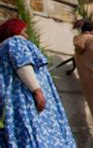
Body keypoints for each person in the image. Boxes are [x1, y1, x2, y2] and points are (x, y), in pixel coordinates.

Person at [0, 18, 76, 147]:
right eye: (24, 30)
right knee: (38, 131)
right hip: (27, 97)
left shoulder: (4, 47)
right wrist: (37, 91)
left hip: (17, 97)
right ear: (15, 30)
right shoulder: (15, 42)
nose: (27, 34)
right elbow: (23, 66)